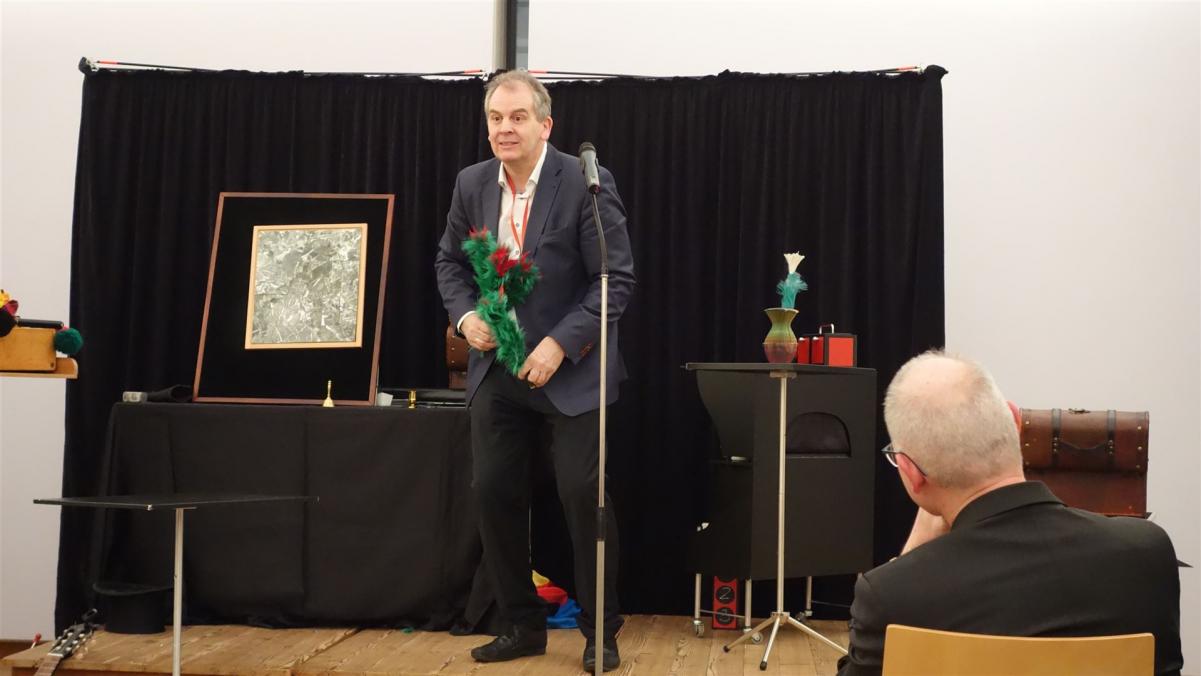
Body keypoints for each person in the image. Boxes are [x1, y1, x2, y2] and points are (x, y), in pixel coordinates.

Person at [434, 69, 635, 672]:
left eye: (518, 117)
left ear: (545, 125)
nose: (505, 128)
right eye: (496, 118)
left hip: (571, 370)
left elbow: (614, 281)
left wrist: (559, 345)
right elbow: (449, 264)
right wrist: (466, 316)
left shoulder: (586, 182)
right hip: (497, 368)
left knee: (581, 495)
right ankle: (521, 625)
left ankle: (601, 631)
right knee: (494, 492)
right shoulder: (472, 183)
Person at [837, 351, 1182, 676]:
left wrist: (910, 556)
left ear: (911, 472)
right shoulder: (1147, 551)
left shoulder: (893, 595)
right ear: (1016, 423)